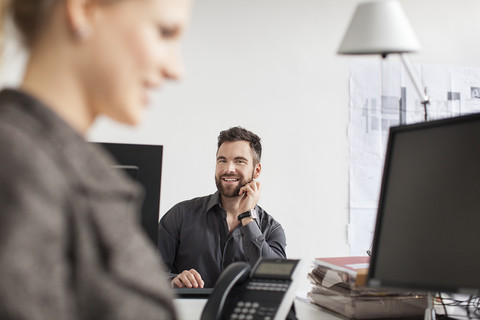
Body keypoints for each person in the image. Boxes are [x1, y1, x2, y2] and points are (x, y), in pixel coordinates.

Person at [0, 0, 191, 319]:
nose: (176, 69)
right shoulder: (18, 167)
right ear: (84, 10)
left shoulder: (58, 167)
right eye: (165, 32)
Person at [158, 127, 287, 288]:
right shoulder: (180, 215)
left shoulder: (271, 229)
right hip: (189, 312)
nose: (228, 169)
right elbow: (147, 273)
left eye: (239, 161)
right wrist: (172, 281)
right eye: (222, 160)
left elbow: (276, 281)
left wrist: (247, 217)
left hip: (242, 313)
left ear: (257, 170)